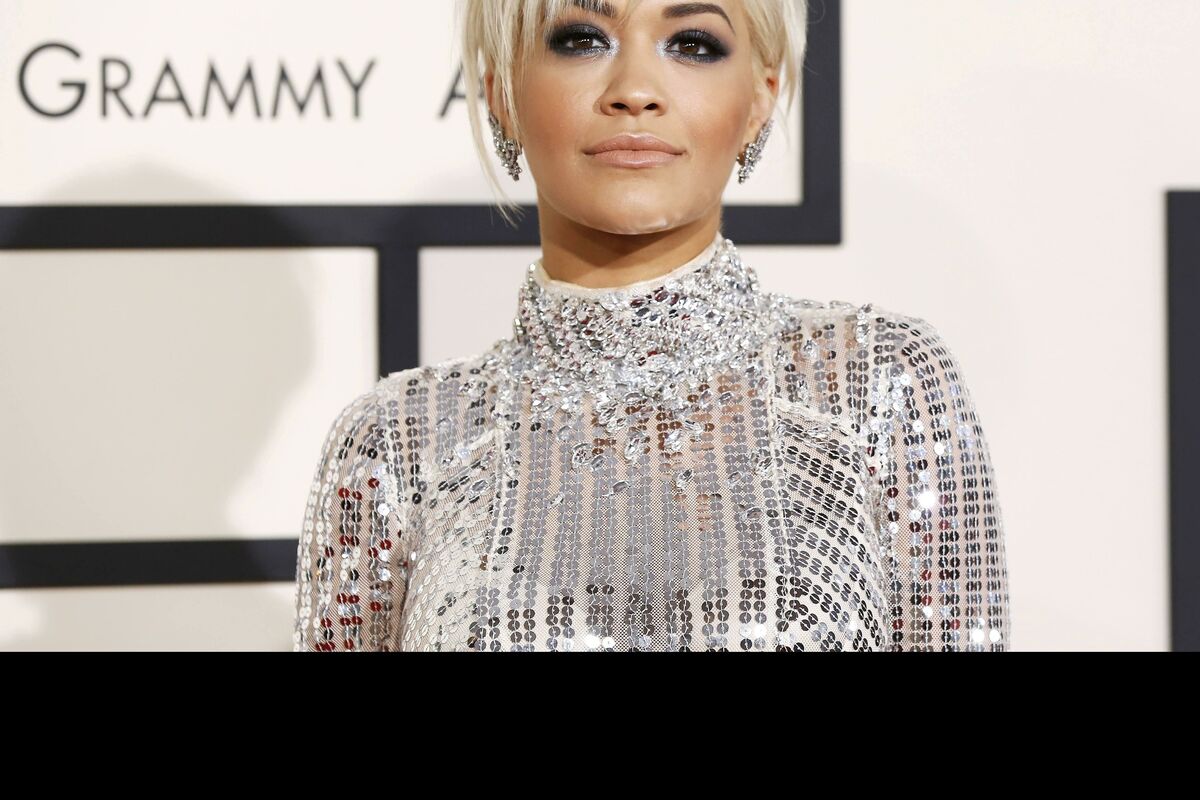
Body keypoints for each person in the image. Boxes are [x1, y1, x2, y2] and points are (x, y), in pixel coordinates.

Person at [292, 0, 1012, 652]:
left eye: (693, 44)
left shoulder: (875, 381)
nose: (635, 89)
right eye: (582, 39)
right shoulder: (400, 440)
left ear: (761, 97)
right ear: (501, 94)